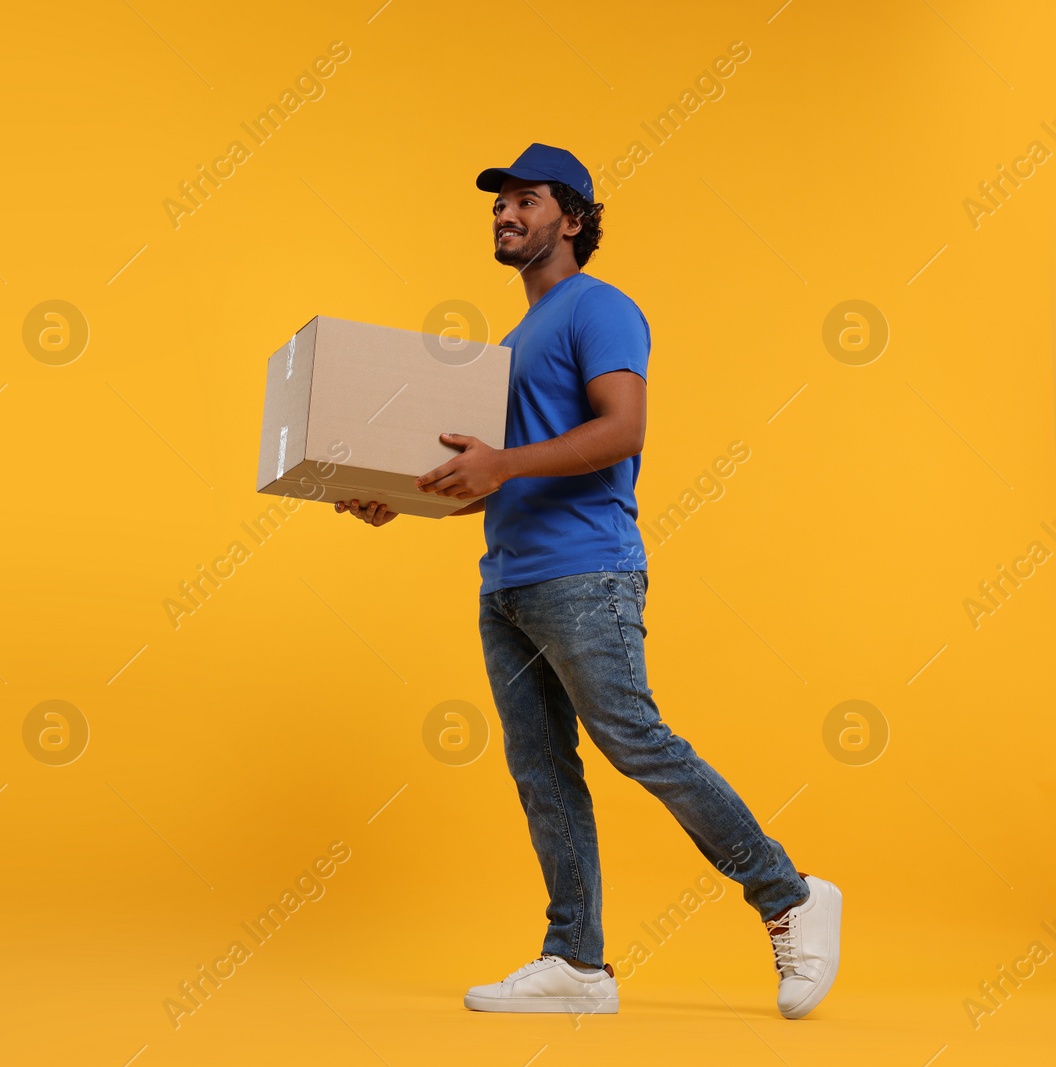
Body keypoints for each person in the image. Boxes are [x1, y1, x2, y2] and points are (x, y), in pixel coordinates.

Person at [333, 144, 840, 1019]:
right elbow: (503, 473)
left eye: (524, 202)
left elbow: (623, 430)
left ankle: (788, 892)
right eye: (497, 205)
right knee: (540, 768)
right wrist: (402, 499)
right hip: (510, 584)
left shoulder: (600, 308)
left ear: (572, 219)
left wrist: (499, 464)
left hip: (587, 570)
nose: (504, 215)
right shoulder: (514, 342)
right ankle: (579, 961)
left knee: (634, 739)